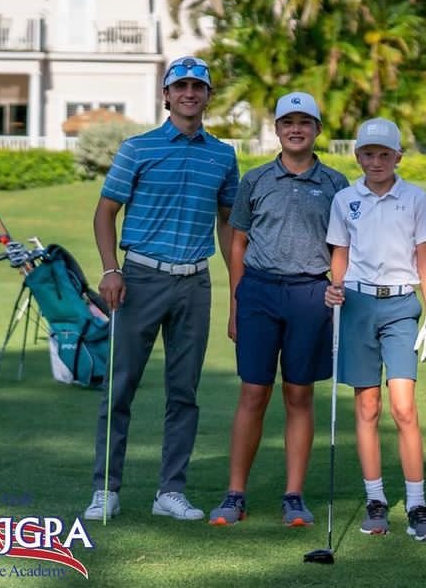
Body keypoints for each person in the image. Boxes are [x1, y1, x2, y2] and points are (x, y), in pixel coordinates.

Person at [85, 55, 239, 522]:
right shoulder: (138, 148)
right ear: (166, 95)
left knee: (184, 392)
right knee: (121, 386)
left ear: (208, 97)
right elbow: (105, 212)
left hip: (195, 282)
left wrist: (237, 290)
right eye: (181, 87)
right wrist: (111, 270)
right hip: (140, 280)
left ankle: (170, 491)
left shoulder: (223, 155)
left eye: (198, 87)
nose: (189, 94)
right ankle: (105, 489)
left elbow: (228, 224)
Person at [208, 91, 349, 527]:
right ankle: (235, 495)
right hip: (259, 293)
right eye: (288, 122)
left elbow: (342, 245)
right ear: (277, 129)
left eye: (304, 122)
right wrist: (235, 302)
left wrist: (337, 287)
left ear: (317, 130)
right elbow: (238, 242)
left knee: (299, 395)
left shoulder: (335, 184)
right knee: (253, 393)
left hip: (310, 294)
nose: (295, 129)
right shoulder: (255, 181)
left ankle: (293, 496)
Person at [323, 118, 426, 542]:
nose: (376, 161)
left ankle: (416, 503)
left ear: (398, 157)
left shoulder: (413, 197)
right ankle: (375, 499)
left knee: (404, 408)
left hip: (400, 305)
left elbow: (423, 256)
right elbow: (340, 252)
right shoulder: (344, 199)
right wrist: (334, 289)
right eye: (368, 154)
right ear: (358, 156)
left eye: (384, 154)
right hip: (356, 304)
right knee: (367, 407)